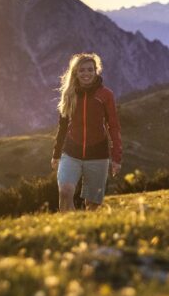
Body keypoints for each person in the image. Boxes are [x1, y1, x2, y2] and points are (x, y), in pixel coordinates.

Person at [51, 53, 122, 212]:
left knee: (92, 206)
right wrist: (56, 154)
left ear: (96, 71)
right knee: (65, 192)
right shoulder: (69, 94)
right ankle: (68, 231)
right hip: (71, 153)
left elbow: (114, 126)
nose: (86, 73)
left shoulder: (106, 95)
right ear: (75, 72)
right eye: (82, 70)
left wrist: (116, 157)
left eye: (90, 70)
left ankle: (83, 231)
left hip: (98, 155)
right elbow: (62, 126)